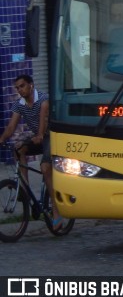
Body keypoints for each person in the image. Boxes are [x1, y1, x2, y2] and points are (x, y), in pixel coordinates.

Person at [0, 74, 61, 229]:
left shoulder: (43, 99)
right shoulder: (19, 104)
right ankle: (25, 189)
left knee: (45, 168)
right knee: (19, 148)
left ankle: (56, 213)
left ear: (31, 85)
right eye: (17, 87)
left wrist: (40, 135)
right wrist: (1, 139)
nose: (20, 90)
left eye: (22, 86)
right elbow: (11, 127)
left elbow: (43, 119)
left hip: (52, 137)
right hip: (37, 137)